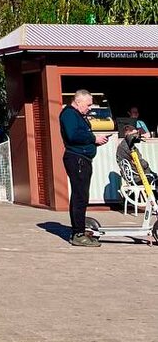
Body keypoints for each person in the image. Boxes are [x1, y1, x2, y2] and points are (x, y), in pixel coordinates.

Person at [59, 89, 108, 246]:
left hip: (83, 158)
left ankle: (79, 229)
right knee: (80, 196)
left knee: (81, 195)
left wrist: (95, 142)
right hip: (77, 159)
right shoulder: (69, 114)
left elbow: (80, 136)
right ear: (78, 101)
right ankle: (78, 234)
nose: (90, 108)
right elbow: (73, 135)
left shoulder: (78, 115)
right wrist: (93, 138)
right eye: (88, 104)